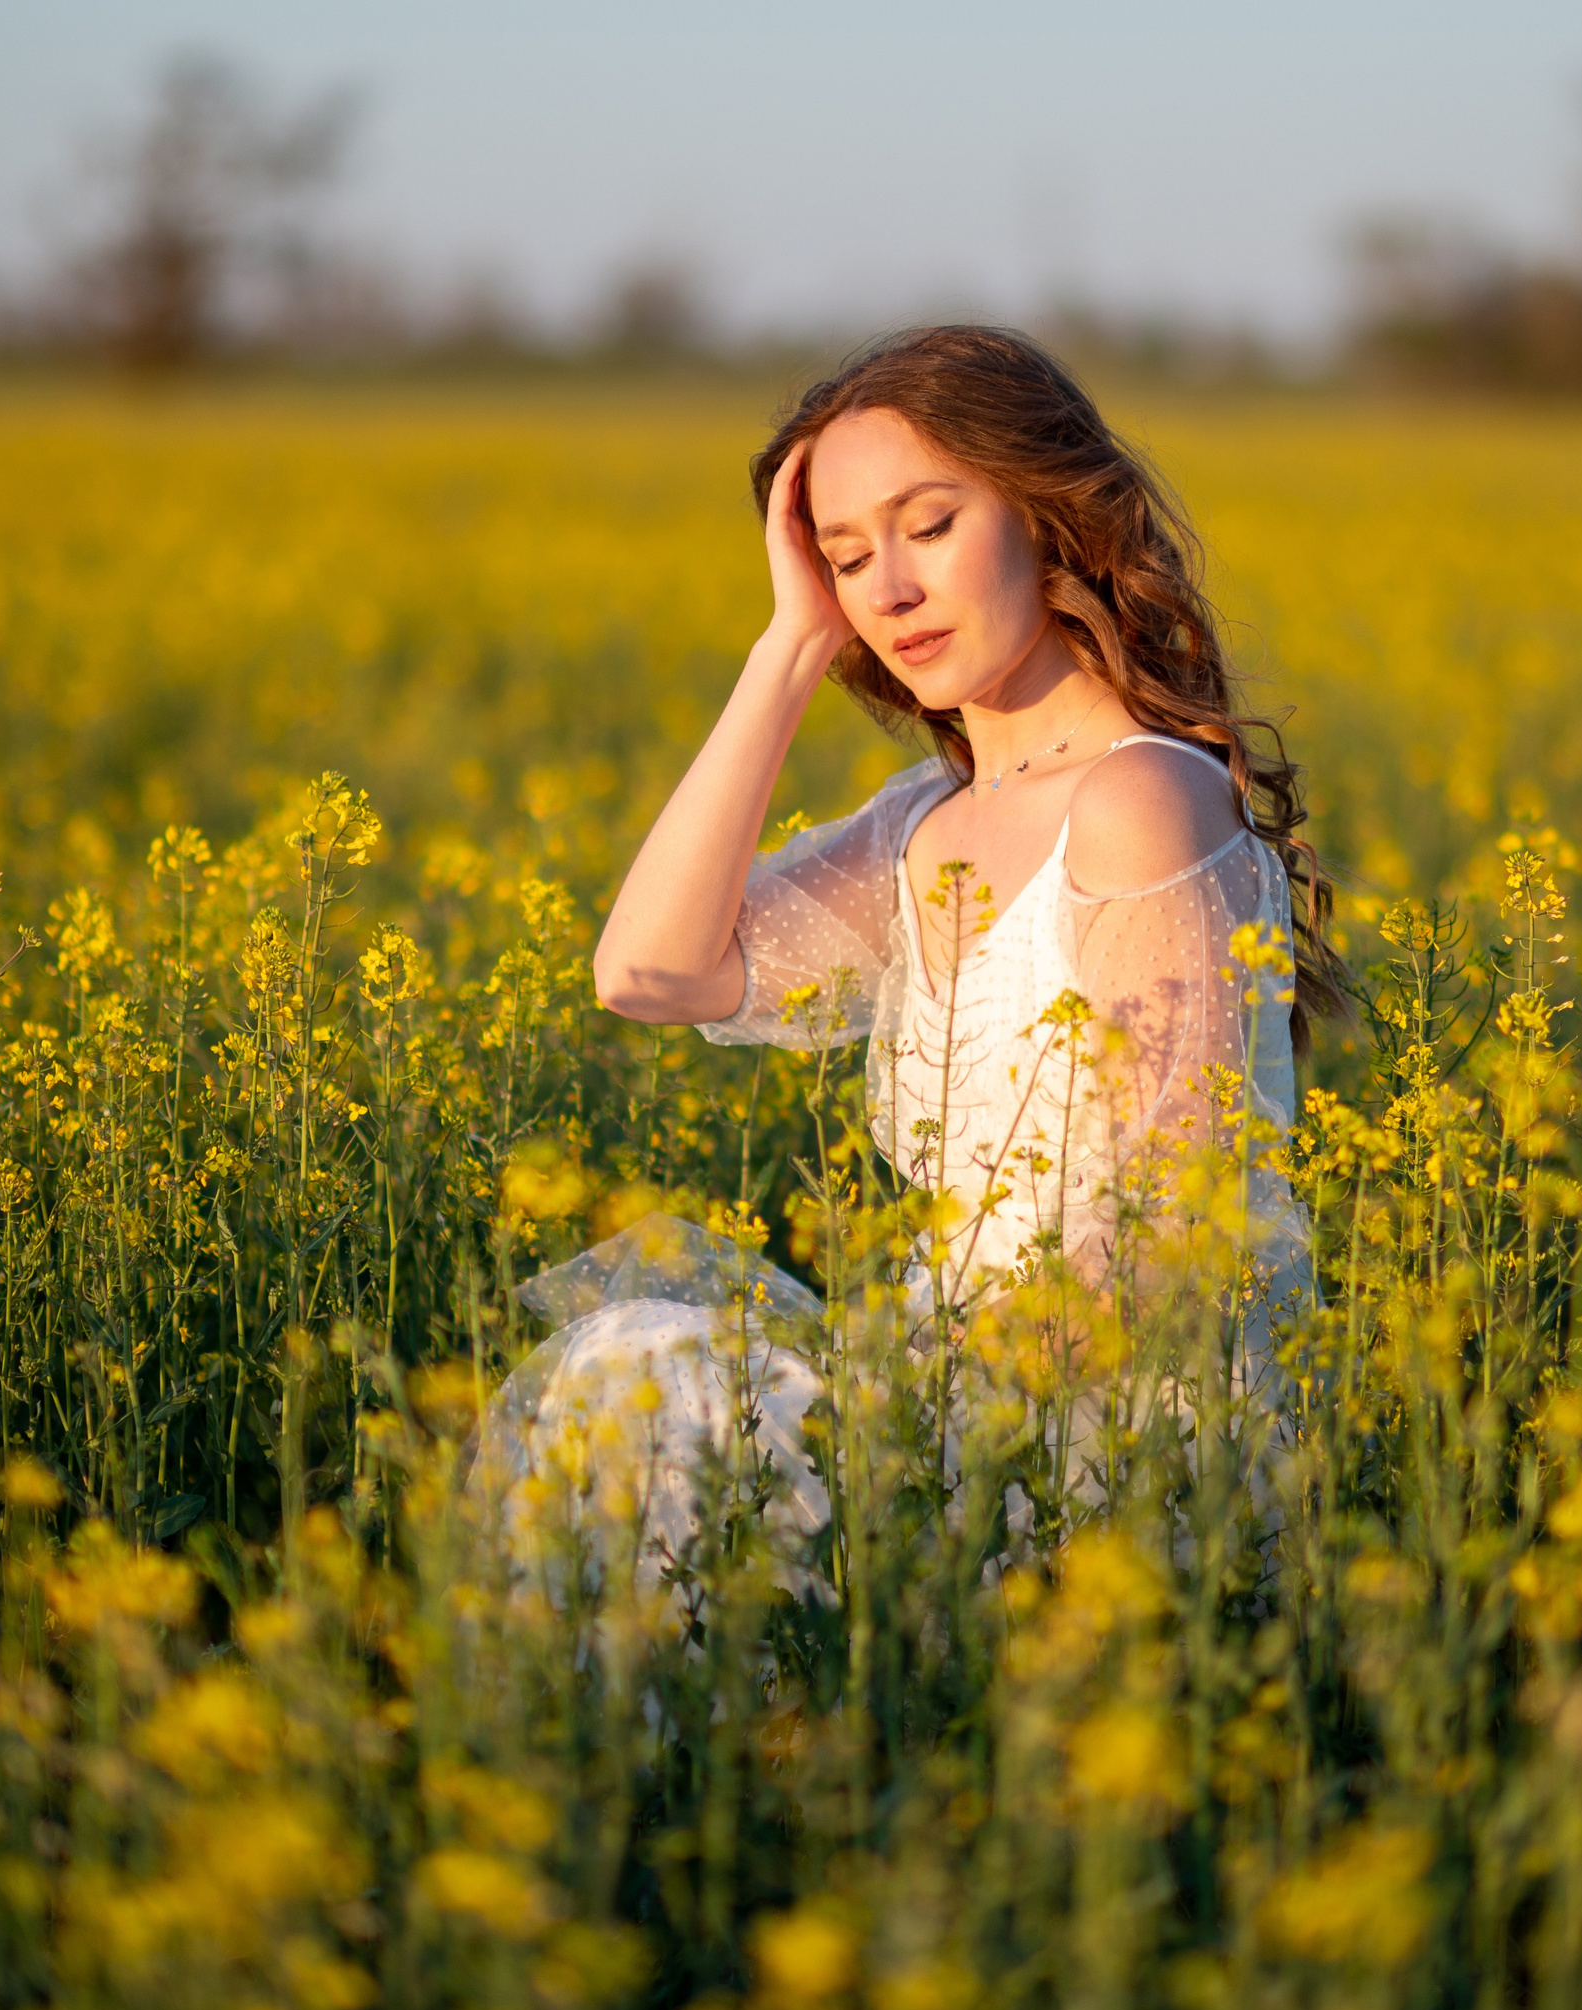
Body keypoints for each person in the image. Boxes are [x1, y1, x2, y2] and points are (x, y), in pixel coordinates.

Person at [498, 326, 1340, 1583]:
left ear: (1046, 514)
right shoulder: (919, 826)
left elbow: (1175, 1231)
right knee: (635, 1370)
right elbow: (650, 974)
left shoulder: (1140, 801)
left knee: (663, 1391)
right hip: (952, 1389)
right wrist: (785, 651)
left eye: (928, 525)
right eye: (845, 557)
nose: (885, 589)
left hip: (1113, 1421)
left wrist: (911, 1406)